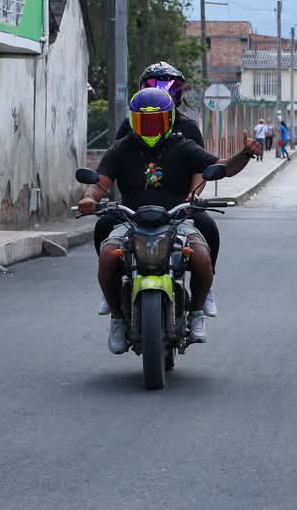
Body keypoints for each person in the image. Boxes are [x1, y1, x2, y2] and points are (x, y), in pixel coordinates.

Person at [78, 88, 263, 354]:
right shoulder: (121, 148)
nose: (150, 128)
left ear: (168, 121)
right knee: (108, 254)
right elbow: (100, 182)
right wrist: (89, 198)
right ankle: (117, 317)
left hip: (176, 220)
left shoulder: (183, 146)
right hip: (131, 221)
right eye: (143, 121)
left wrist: (244, 154)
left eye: (156, 122)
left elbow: (222, 166)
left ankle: (197, 312)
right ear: (133, 121)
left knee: (200, 255)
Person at [98, 61, 221, 315]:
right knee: (102, 226)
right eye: (155, 86)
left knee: (208, 226)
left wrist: (194, 195)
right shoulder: (129, 128)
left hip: (179, 206)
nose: (162, 92)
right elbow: (113, 162)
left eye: (169, 86)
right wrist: (95, 196)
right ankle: (110, 286)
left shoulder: (188, 128)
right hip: (134, 209)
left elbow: (201, 165)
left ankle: (206, 286)